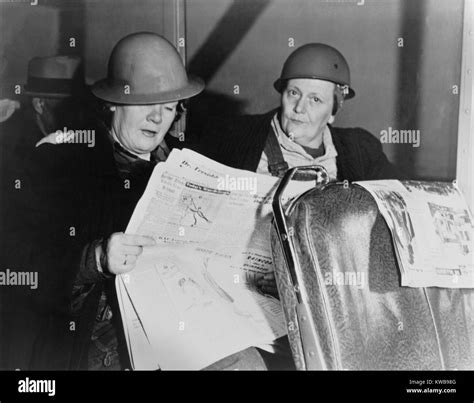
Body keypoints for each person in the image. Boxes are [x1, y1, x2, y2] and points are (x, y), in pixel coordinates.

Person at [190, 43, 405, 368]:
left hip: (332, 311)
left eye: (315, 99)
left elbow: (395, 224)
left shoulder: (360, 151)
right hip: (244, 309)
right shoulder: (235, 138)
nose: (298, 108)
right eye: (293, 93)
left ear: (335, 108)